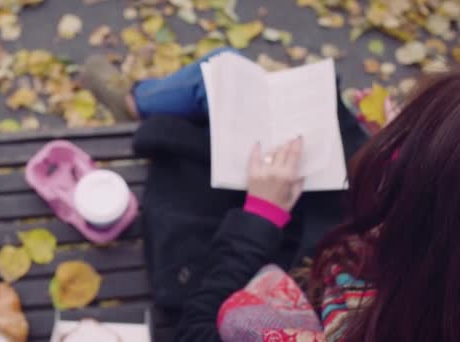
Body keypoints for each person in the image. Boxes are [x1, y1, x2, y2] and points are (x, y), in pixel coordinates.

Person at [82, 47, 459, 341]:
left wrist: (261, 215)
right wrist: (411, 151)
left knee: (216, 92)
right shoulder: (430, 270)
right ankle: (137, 103)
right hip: (347, 231)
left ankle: (142, 105)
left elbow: (197, 332)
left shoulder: (312, 326)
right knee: (225, 72)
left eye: (401, 152)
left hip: (270, 258)